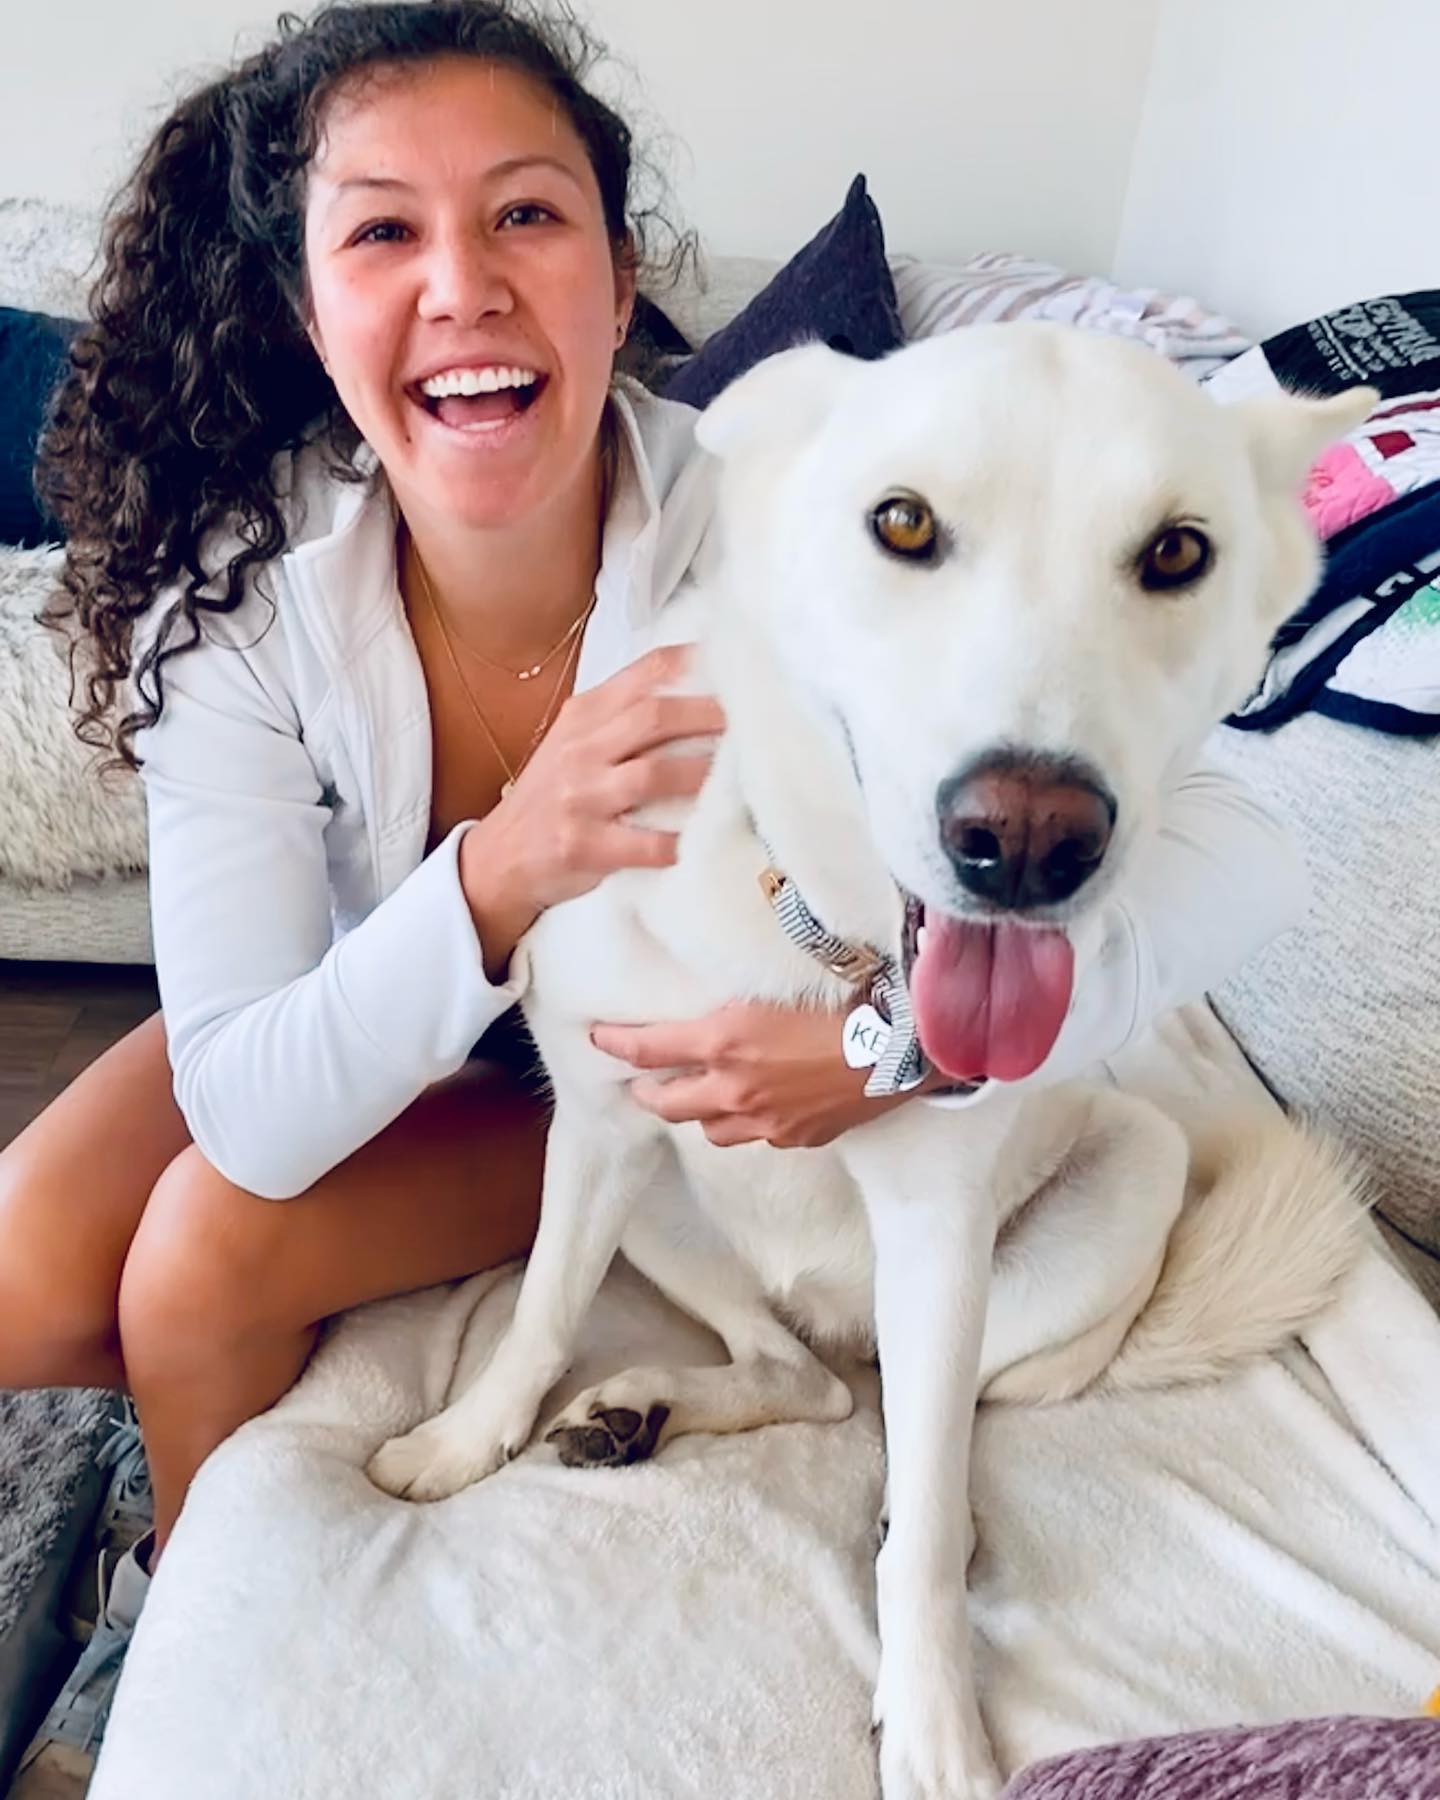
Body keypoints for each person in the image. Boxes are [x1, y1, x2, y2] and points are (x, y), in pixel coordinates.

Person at [0, 0, 1308, 1778]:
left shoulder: (786, 506)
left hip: (620, 1058)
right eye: (383, 233)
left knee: (195, 1265)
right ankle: (175, 1461)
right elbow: (252, 1094)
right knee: (25, 1278)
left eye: (525, 215)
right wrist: (504, 863)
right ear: (310, 313)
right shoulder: (244, 590)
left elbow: (1230, 850)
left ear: (621, 281)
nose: (462, 284)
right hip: (384, 1002)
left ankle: (164, 1608)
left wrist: (894, 1049)